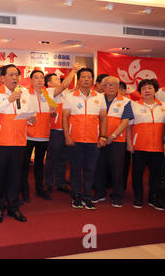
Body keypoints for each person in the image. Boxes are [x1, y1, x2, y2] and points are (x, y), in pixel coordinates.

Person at [22, 65, 81, 202]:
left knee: (39, 165)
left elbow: (52, 107)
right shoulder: (25, 94)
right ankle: (24, 191)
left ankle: (39, 189)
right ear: (30, 81)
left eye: (41, 77)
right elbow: (19, 112)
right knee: (24, 165)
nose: (39, 80)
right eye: (36, 78)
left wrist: (52, 113)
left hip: (43, 136)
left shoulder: (48, 94)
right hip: (28, 136)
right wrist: (27, 118)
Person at [0, 64, 36, 223]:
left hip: (19, 141)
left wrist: (30, 119)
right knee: (0, 177)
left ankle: (14, 207)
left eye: (17, 75)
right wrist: (8, 100)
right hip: (1, 141)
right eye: (11, 75)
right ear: (2, 77)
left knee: (16, 176)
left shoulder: (25, 93)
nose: (15, 78)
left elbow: (24, 115)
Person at [63, 68, 107, 210]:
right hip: (75, 139)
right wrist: (67, 136)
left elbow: (103, 119)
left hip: (93, 140)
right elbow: (65, 118)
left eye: (89, 77)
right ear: (78, 79)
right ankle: (76, 196)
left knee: (90, 169)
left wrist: (103, 136)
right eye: (83, 77)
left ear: (92, 80)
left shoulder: (99, 97)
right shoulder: (70, 96)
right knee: (75, 169)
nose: (86, 79)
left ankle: (87, 196)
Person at [93, 76, 133, 208]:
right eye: (107, 84)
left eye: (114, 84)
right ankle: (100, 192)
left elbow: (125, 122)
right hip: (99, 138)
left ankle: (117, 196)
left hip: (117, 140)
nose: (110, 87)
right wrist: (102, 136)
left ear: (118, 86)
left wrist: (113, 135)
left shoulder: (126, 101)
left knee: (117, 169)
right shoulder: (97, 99)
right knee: (99, 167)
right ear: (103, 87)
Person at [127, 79, 165, 210]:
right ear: (140, 92)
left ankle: (153, 198)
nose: (147, 91)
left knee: (156, 175)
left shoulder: (164, 106)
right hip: (139, 146)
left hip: (158, 148)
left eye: (150, 88)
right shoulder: (133, 105)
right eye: (144, 89)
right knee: (137, 174)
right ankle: (138, 197)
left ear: (155, 90)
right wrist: (129, 144)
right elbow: (129, 127)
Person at [44, 73, 72, 195]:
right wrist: (74, 71)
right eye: (55, 79)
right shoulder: (49, 92)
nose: (59, 81)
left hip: (67, 131)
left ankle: (61, 183)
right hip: (55, 131)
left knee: (63, 159)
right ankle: (48, 183)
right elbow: (65, 84)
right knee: (52, 159)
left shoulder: (67, 93)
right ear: (49, 83)